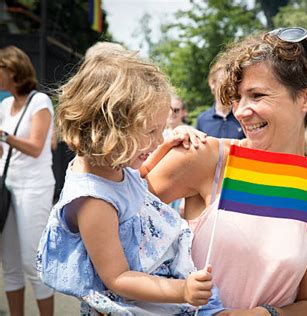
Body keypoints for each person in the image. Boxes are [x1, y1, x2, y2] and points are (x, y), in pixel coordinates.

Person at [144, 27, 307, 315]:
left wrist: (258, 315)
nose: (240, 111)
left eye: (257, 95)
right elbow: (117, 217)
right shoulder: (206, 157)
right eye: (238, 98)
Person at [36, 49, 224, 315]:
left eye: (162, 130)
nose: (159, 139)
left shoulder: (111, 164)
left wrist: (168, 144)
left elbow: (138, 183)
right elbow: (118, 278)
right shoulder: (93, 201)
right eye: (151, 131)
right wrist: (182, 291)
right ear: (109, 127)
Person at [0, 45, 55, 316]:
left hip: (34, 187)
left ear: (12, 70)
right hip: (7, 185)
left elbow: (35, 146)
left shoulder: (40, 102)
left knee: (31, 261)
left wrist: (3, 136)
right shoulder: (5, 105)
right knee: (9, 264)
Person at [195, 60, 245, 139]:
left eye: (233, 82)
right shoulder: (202, 119)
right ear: (212, 83)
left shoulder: (242, 115)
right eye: (225, 82)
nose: (230, 86)